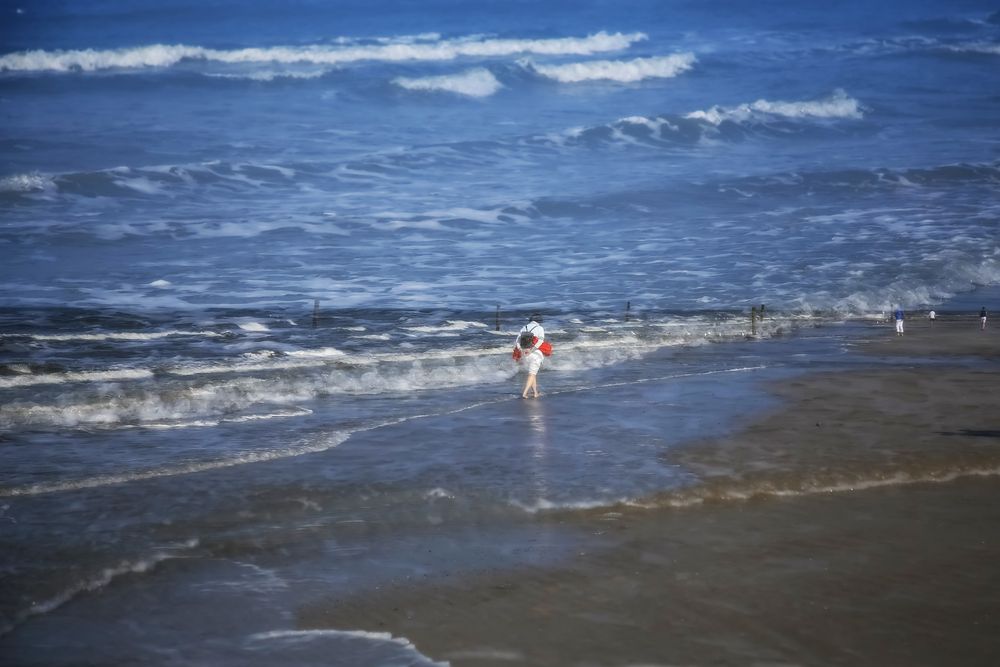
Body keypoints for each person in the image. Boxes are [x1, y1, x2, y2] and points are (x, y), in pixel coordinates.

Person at [514, 313, 545, 399]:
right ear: (539, 321)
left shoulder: (524, 328)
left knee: (532, 374)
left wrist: (521, 350)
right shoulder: (540, 328)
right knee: (532, 374)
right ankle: (525, 393)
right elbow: (541, 341)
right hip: (535, 354)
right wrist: (532, 350)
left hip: (525, 355)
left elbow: (517, 341)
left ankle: (535, 392)